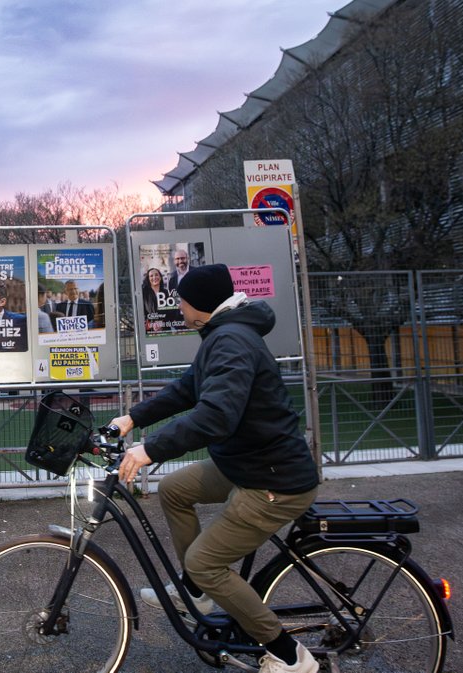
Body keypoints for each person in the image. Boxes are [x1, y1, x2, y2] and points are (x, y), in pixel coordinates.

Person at [110, 263, 321, 673]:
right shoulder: (220, 334)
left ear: (199, 305)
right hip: (246, 463)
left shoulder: (231, 340)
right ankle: (198, 592)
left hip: (273, 479)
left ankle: (288, 654)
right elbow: (188, 389)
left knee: (206, 562)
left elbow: (216, 416)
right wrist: (132, 419)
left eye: (182, 300)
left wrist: (149, 450)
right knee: (174, 490)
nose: (178, 305)